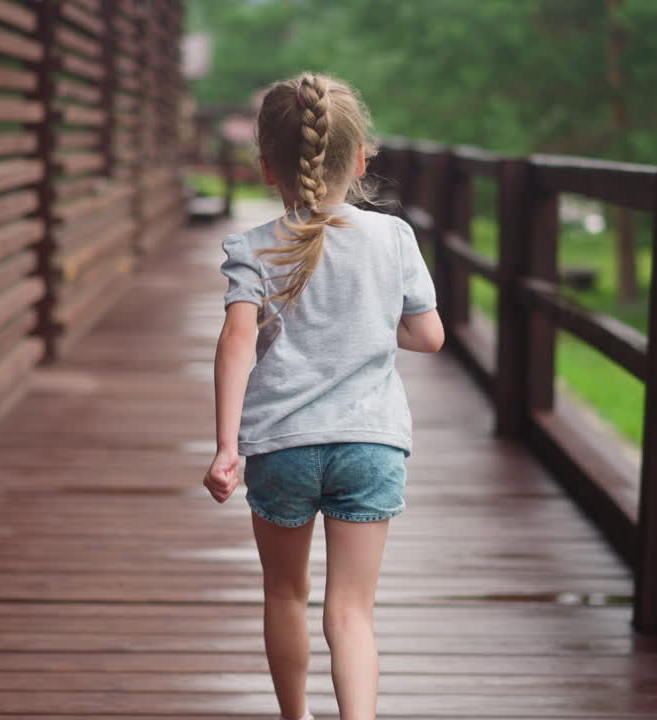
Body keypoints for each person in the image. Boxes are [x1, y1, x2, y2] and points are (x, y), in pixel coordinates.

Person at [201, 71, 444, 720]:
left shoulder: (253, 249)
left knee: (284, 595)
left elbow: (235, 343)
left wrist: (226, 446)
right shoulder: (393, 239)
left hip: (281, 449)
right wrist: (369, 325)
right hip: (371, 444)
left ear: (265, 168)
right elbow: (429, 336)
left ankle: (294, 717)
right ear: (361, 158)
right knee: (351, 611)